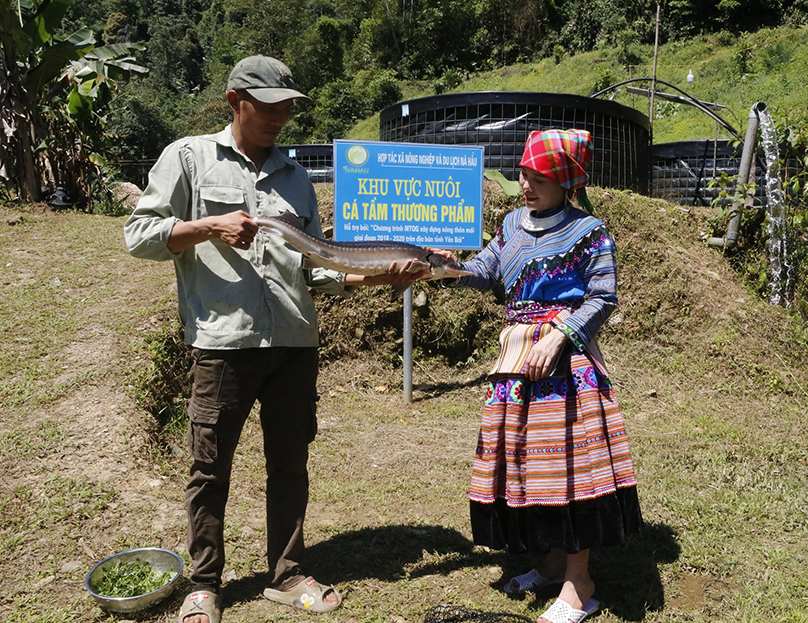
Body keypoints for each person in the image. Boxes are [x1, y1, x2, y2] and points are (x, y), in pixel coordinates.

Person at [123, 55, 423, 623]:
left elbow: (317, 267)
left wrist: (382, 274)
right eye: (268, 106)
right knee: (210, 467)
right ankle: (205, 584)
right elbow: (139, 234)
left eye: (287, 107)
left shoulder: (295, 176)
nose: (280, 117)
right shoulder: (188, 157)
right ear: (235, 100)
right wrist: (210, 226)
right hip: (223, 343)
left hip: (293, 341)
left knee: (290, 462)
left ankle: (286, 575)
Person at [442, 129, 642, 623]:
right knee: (533, 470)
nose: (525, 185)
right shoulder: (511, 223)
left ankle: (581, 585)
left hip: (566, 369)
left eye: (537, 178)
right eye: (524, 175)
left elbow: (603, 297)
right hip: (516, 365)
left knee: (571, 473)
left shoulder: (588, 232)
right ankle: (554, 564)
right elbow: (486, 272)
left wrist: (558, 337)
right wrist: (446, 268)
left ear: (567, 181)